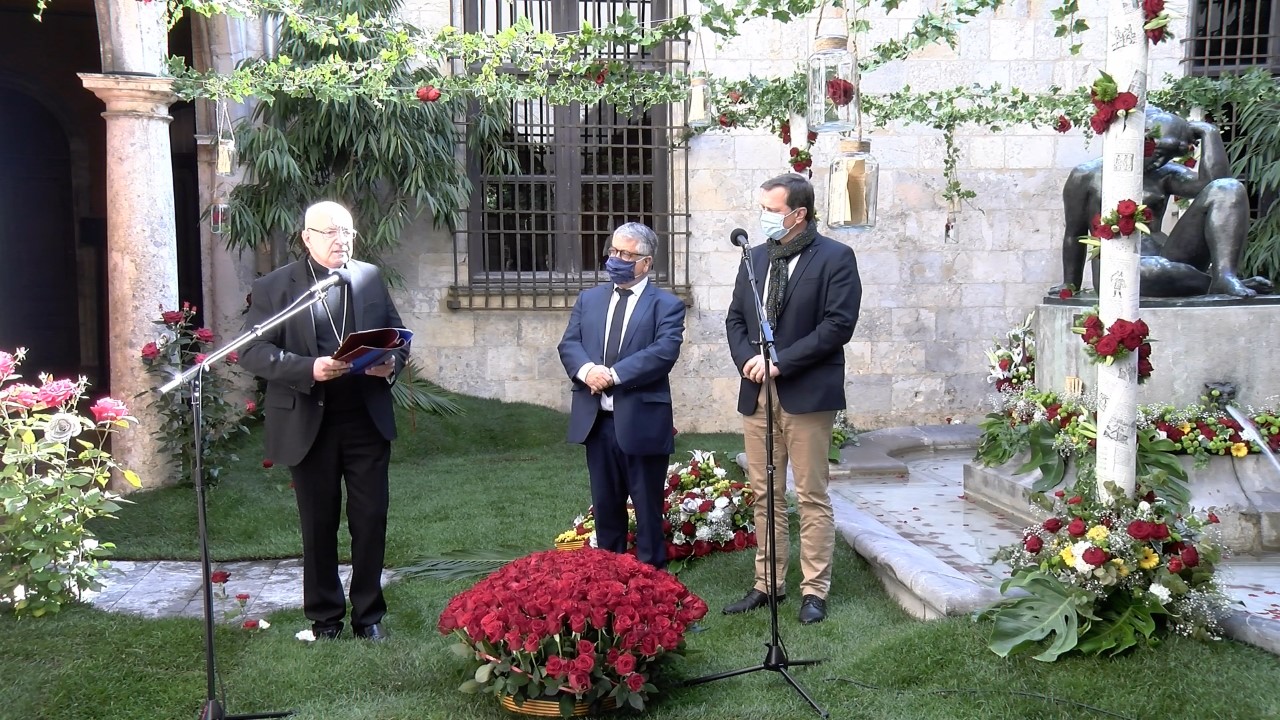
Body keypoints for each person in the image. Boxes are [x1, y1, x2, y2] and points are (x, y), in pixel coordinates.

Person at [240, 200, 407, 641]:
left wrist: (390, 363)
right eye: (331, 232)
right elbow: (252, 352)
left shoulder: (368, 277)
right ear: (307, 237)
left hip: (365, 418)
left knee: (371, 518)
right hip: (307, 419)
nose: (341, 240)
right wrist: (307, 368)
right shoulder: (275, 286)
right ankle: (325, 618)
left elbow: (396, 335)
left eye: (347, 232)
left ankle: (368, 616)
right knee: (318, 521)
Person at [724, 173, 862, 625]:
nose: (763, 216)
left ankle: (814, 590)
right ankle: (767, 584)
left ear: (798, 214)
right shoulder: (754, 258)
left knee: (810, 494)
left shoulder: (836, 258)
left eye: (771, 209)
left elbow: (837, 326)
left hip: (806, 392)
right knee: (764, 493)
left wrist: (780, 362)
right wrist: (747, 359)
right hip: (756, 390)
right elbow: (735, 320)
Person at [557, 222, 686, 570]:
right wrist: (587, 372)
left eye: (627, 254)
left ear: (646, 262)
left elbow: (663, 353)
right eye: (614, 251)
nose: (617, 259)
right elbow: (570, 344)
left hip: (642, 422)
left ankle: (651, 584)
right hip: (597, 422)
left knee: (647, 511)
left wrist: (612, 375)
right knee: (605, 506)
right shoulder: (589, 299)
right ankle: (608, 580)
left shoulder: (667, 305)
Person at [1057, 106, 1271, 298]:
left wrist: (1209, 132)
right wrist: (1070, 284)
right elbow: (1075, 234)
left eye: (1169, 157)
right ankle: (1209, 283)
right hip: (1120, 265)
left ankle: (1224, 276)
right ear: (1141, 140)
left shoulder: (1164, 173)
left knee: (1229, 188)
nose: (1159, 162)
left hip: (1170, 256)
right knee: (1148, 272)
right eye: (1158, 153)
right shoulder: (1086, 176)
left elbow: (1216, 184)